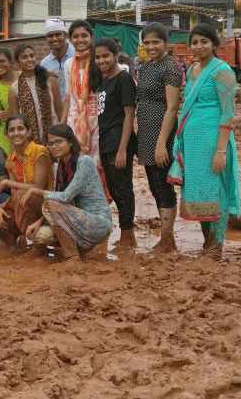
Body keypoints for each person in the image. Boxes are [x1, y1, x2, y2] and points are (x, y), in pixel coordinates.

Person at [168, 24, 241, 261]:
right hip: (192, 143)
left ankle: (215, 246)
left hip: (212, 142)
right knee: (199, 194)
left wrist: (221, 151)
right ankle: (206, 244)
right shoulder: (190, 71)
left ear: (214, 44)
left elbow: (227, 114)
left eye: (204, 42)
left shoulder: (223, 72)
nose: (198, 47)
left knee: (215, 192)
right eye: (195, 42)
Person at [24, 124, 112, 263]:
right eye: (51, 143)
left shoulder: (84, 162)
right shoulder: (61, 166)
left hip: (98, 223)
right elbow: (61, 205)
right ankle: (76, 251)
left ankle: (72, 257)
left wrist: (36, 191)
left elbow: (65, 197)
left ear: (70, 142)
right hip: (77, 220)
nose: (54, 146)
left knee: (49, 203)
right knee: (41, 236)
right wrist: (39, 222)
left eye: (59, 141)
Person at [136, 22, 183, 252]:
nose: (151, 46)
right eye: (147, 42)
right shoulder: (145, 67)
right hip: (146, 134)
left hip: (161, 136)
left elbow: (172, 108)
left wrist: (162, 143)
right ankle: (168, 239)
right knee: (155, 186)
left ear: (166, 43)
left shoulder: (170, 68)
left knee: (164, 189)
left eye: (156, 42)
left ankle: (166, 241)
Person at [93, 37, 138, 248]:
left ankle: (128, 237)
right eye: (98, 57)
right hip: (106, 142)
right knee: (114, 188)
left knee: (123, 189)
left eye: (105, 56)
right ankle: (126, 234)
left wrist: (122, 150)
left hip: (119, 142)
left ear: (115, 55)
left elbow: (129, 116)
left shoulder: (123, 79)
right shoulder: (105, 81)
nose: (101, 60)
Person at [0, 115, 52, 248]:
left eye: (20, 129)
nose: (16, 133)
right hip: (24, 203)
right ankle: (13, 244)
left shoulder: (39, 151)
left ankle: (34, 245)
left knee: (21, 195)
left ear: (28, 132)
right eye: (11, 130)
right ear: (6, 134)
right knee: (1, 214)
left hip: (46, 202)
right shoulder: (10, 160)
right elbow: (14, 196)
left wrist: (6, 183)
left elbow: (37, 187)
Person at [60, 19, 101, 163]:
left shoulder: (99, 60)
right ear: (70, 39)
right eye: (75, 36)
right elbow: (68, 97)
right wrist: (63, 125)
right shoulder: (68, 64)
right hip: (75, 121)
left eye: (84, 35)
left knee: (97, 166)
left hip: (97, 122)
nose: (80, 40)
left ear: (91, 37)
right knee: (78, 164)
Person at [9, 43, 62, 145]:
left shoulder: (50, 80)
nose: (30, 59)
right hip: (30, 143)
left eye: (32, 56)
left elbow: (60, 110)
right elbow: (16, 122)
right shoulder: (14, 89)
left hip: (54, 138)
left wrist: (62, 132)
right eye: (24, 57)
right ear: (17, 62)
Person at [40, 18, 75, 98]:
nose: (54, 39)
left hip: (77, 108)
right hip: (56, 109)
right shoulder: (44, 64)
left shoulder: (77, 54)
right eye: (50, 36)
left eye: (58, 34)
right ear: (46, 39)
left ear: (65, 35)